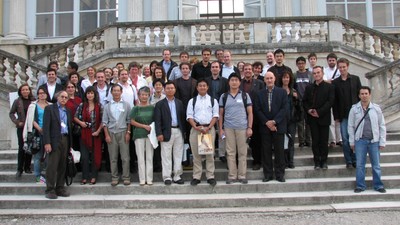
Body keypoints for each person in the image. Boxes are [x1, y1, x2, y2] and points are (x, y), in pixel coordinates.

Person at [348, 86, 386, 194]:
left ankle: (378, 185)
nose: (364, 96)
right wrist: (352, 141)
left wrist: (382, 140)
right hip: (360, 140)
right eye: (362, 94)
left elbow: (381, 125)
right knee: (360, 164)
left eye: (366, 93)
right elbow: (350, 126)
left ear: (369, 94)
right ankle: (360, 185)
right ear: (359, 95)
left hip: (374, 140)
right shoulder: (354, 109)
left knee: (376, 164)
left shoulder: (376, 109)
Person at [219, 73, 253, 184]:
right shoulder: (223, 96)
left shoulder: (245, 95)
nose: (234, 82)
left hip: (242, 128)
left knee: (242, 152)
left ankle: (242, 175)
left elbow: (250, 113)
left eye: (236, 80)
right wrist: (221, 129)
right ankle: (232, 176)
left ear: (239, 82)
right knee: (230, 152)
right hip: (228, 128)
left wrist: (249, 127)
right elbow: (221, 114)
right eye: (232, 80)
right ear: (228, 82)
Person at [254, 72, 288, 182]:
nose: (269, 80)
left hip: (278, 126)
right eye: (267, 78)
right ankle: (267, 174)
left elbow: (284, 108)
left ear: (274, 79)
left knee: (279, 152)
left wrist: (274, 121)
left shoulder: (282, 92)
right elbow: (257, 109)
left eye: (271, 78)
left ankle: (280, 174)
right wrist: (267, 122)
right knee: (266, 151)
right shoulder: (259, 94)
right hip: (265, 127)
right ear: (264, 80)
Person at [187, 79, 219, 186]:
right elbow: (189, 116)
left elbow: (215, 115)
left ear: (207, 87)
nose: (202, 87)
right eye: (200, 86)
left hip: (208, 129)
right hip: (196, 129)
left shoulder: (213, 100)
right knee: (196, 155)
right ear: (197, 88)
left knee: (209, 155)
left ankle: (210, 176)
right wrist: (196, 127)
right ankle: (197, 176)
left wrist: (208, 127)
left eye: (204, 85)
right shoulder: (192, 101)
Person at [303, 66, 335, 170]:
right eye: (315, 73)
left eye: (318, 73)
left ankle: (324, 161)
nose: (316, 75)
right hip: (312, 118)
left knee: (324, 141)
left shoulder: (329, 87)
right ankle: (317, 161)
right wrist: (309, 110)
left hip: (324, 117)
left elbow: (330, 102)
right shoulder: (309, 87)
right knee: (315, 141)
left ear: (322, 73)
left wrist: (319, 112)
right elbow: (304, 101)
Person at [154, 81, 186, 185]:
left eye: (172, 88)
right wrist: (159, 133)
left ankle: (177, 175)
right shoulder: (160, 104)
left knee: (178, 154)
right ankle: (167, 176)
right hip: (166, 132)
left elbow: (182, 118)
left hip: (178, 131)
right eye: (168, 88)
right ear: (164, 89)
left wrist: (183, 132)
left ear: (175, 89)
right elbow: (157, 120)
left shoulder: (179, 103)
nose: (170, 90)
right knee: (166, 155)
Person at [332, 58, 362, 169]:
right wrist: (336, 116)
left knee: (355, 138)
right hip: (343, 115)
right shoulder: (335, 82)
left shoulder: (355, 79)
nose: (342, 69)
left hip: (356, 115)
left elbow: (360, 96)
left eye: (344, 67)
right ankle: (348, 160)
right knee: (345, 139)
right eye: (340, 67)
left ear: (347, 66)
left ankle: (355, 159)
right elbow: (334, 101)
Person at [42, 90, 72, 199]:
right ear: (57, 97)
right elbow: (46, 127)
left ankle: (60, 187)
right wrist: (47, 142)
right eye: (62, 97)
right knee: (52, 166)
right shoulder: (50, 109)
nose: (64, 99)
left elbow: (69, 126)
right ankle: (50, 189)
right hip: (54, 140)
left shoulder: (68, 111)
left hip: (65, 139)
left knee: (62, 165)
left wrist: (70, 144)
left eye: (66, 97)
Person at [102, 84, 132, 186]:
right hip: (111, 133)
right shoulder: (107, 106)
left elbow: (129, 120)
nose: (116, 92)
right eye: (114, 90)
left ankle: (126, 177)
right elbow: (104, 122)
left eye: (118, 90)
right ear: (111, 92)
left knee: (125, 157)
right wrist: (106, 135)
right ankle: (114, 177)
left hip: (123, 132)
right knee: (113, 157)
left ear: (121, 92)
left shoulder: (126, 105)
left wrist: (128, 132)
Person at [74, 86, 103, 185]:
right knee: (85, 157)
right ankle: (84, 176)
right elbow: (75, 117)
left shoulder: (99, 105)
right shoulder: (82, 105)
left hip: (96, 134)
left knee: (95, 156)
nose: (90, 95)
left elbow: (103, 121)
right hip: (84, 134)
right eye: (88, 93)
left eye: (91, 93)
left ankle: (94, 176)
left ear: (95, 95)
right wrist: (81, 123)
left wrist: (98, 131)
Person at [23, 86, 51, 183]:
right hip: (37, 133)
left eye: (43, 93)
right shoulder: (33, 106)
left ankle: (48, 175)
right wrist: (39, 128)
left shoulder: (51, 105)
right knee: (38, 156)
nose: (42, 95)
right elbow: (31, 119)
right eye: (40, 93)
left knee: (48, 155)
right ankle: (38, 176)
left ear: (46, 94)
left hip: (49, 133)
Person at [240, 63, 264, 171]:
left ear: (253, 70)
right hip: (240, 116)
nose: (248, 71)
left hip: (256, 116)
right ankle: (240, 162)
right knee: (240, 142)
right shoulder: (238, 83)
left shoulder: (259, 83)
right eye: (246, 69)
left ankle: (257, 161)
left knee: (256, 141)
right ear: (243, 71)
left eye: (250, 69)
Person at [9, 84, 35, 177]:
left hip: (31, 127)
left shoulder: (33, 100)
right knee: (21, 148)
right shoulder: (17, 101)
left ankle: (27, 167)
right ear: (20, 91)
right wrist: (17, 122)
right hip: (21, 127)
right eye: (23, 90)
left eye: (27, 90)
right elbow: (11, 113)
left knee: (30, 147)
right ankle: (19, 168)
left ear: (29, 91)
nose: (25, 91)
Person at [205, 61, 229, 162]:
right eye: (213, 67)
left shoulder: (225, 81)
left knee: (221, 129)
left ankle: (222, 153)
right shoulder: (205, 81)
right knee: (208, 130)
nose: (215, 69)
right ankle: (209, 153)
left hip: (221, 108)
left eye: (216, 67)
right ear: (210, 69)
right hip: (208, 108)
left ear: (220, 69)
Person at [130, 86, 155, 186]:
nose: (144, 97)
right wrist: (143, 126)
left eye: (146, 95)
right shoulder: (136, 108)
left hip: (150, 135)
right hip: (139, 134)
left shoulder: (152, 107)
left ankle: (149, 178)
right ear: (139, 96)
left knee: (149, 157)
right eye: (142, 95)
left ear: (149, 95)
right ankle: (142, 178)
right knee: (140, 158)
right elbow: (131, 121)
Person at [281, 71, 300, 169]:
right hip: (282, 120)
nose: (285, 79)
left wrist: (296, 99)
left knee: (291, 141)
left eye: (287, 77)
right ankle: (284, 161)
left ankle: (291, 161)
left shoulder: (294, 91)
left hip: (292, 120)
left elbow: (298, 106)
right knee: (283, 142)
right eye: (284, 77)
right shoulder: (279, 91)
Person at [324, 53, 342, 147]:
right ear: (327, 61)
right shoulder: (324, 70)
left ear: (336, 61)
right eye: (330, 60)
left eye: (333, 60)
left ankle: (340, 139)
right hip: (328, 96)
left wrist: (331, 81)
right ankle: (333, 140)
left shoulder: (340, 70)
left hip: (338, 96)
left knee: (338, 119)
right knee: (331, 120)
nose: (331, 62)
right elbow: (324, 81)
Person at [294, 56, 312, 147]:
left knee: (308, 122)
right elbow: (292, 86)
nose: (301, 65)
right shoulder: (295, 75)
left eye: (302, 63)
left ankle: (308, 140)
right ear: (297, 65)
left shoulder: (310, 74)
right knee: (300, 122)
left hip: (308, 102)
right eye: (299, 63)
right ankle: (301, 141)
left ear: (305, 64)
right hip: (299, 101)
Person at [149, 78, 166, 173]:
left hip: (163, 124)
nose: (158, 86)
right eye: (156, 85)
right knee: (154, 145)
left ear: (163, 87)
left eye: (160, 85)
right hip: (152, 124)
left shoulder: (165, 97)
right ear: (153, 87)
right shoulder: (150, 98)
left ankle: (163, 165)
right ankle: (156, 165)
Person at [65, 81, 82, 153]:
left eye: (72, 87)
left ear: (75, 88)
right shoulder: (64, 100)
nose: (70, 89)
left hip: (78, 127)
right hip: (67, 126)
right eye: (68, 87)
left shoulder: (79, 100)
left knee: (78, 148)